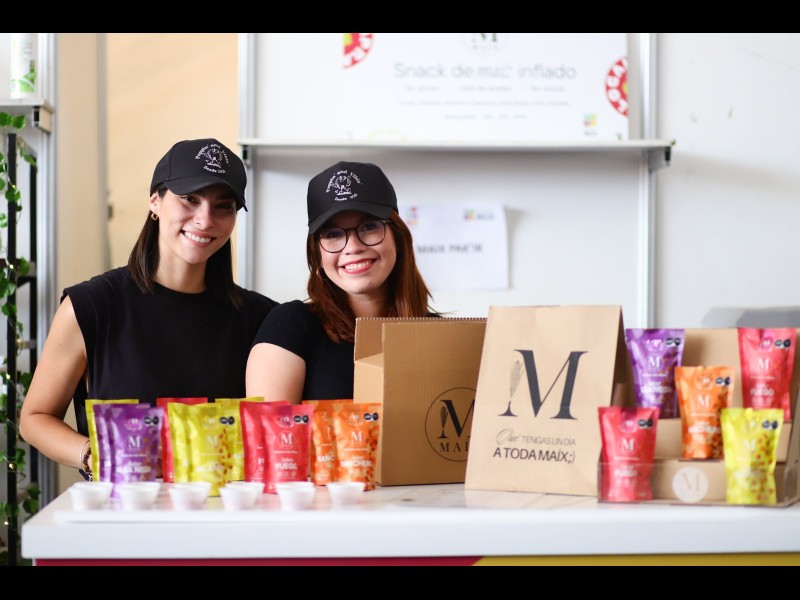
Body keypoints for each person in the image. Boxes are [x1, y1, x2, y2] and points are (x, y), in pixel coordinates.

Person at [19, 138, 277, 480]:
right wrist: (93, 455)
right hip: (124, 507)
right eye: (190, 199)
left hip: (225, 509)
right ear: (155, 201)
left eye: (223, 206)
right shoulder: (91, 307)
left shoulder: (262, 320)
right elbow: (35, 418)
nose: (205, 219)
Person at [246, 161, 436, 402]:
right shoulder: (289, 326)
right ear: (317, 253)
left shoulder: (439, 336)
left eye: (369, 227)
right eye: (333, 234)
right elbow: (269, 426)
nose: (353, 247)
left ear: (398, 238)